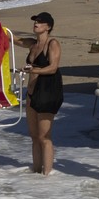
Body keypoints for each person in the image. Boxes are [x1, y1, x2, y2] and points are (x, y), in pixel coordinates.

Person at [23, 12, 64, 175]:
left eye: (40, 22)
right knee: (33, 136)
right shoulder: (33, 45)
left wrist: (33, 69)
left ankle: (47, 175)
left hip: (47, 92)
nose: (36, 24)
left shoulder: (52, 43)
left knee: (44, 137)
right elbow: (13, 39)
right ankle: (36, 173)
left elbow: (53, 67)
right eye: (35, 21)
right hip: (31, 93)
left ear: (48, 26)